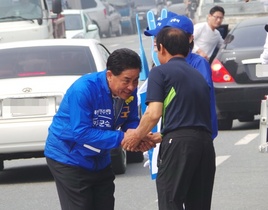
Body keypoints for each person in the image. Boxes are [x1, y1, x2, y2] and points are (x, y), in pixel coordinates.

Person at [44, 48, 157, 210]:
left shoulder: (129, 94)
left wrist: (139, 137)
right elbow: (81, 132)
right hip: (68, 157)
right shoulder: (84, 89)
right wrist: (123, 138)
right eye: (126, 80)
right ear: (110, 75)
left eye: (135, 80)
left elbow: (130, 121)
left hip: (100, 158)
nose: (131, 86)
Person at [122, 27, 216, 210]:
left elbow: (153, 113)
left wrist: (136, 136)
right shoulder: (197, 75)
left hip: (178, 146)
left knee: (170, 200)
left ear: (162, 48)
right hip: (205, 145)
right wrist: (160, 136)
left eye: (156, 48)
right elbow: (190, 119)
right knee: (199, 205)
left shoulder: (160, 72)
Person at [144, 12, 218, 140]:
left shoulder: (198, 63)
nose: (157, 40)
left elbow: (195, 104)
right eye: (157, 36)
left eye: (164, 36)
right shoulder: (159, 67)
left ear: (189, 39)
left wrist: (136, 136)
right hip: (170, 135)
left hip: (192, 135)